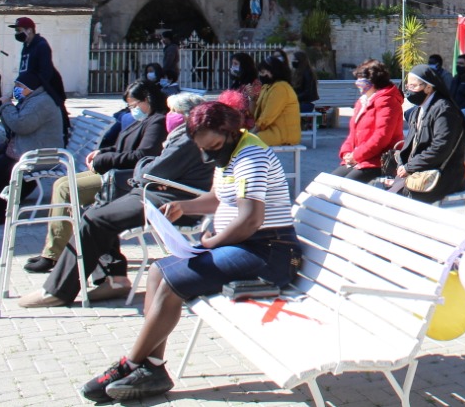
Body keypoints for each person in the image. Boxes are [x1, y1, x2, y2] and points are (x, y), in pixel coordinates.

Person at [75, 102, 301, 403]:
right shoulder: (232, 152)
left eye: (214, 147)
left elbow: (250, 220)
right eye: (203, 149)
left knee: (174, 282)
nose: (210, 155)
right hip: (247, 246)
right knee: (158, 272)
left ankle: (130, 363)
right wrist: (187, 206)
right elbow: (221, 198)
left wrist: (210, 243)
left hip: (270, 254)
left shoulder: (250, 157)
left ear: (230, 132)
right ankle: (152, 367)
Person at [19, 95, 217, 310]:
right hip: (157, 193)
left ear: (189, 115)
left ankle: (57, 291)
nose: (169, 116)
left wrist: (144, 167)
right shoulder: (181, 135)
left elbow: (151, 171)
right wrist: (146, 169)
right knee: (99, 210)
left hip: (171, 202)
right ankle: (113, 278)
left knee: (95, 219)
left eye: (174, 111)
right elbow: (153, 169)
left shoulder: (187, 138)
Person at [23, 80, 169, 274]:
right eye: (130, 105)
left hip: (124, 178)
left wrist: (104, 159)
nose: (132, 109)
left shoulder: (157, 121)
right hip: (114, 171)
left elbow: (142, 156)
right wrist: (102, 152)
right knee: (61, 183)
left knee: (67, 189)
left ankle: (53, 254)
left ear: (147, 100)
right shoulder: (143, 120)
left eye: (135, 105)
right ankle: (56, 250)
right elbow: (122, 147)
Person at [0, 72, 62, 226]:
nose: (16, 90)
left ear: (30, 88)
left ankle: (1, 211)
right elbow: (12, 124)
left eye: (19, 86)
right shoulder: (32, 99)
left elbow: (21, 126)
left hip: (41, 153)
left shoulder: (41, 102)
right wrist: (6, 106)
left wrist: (7, 105)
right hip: (33, 147)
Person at [391, 64, 465, 204]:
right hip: (420, 170)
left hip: (444, 173)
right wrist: (402, 166)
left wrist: (410, 167)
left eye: (413, 86)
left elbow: (440, 147)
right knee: (388, 196)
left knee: (399, 200)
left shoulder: (445, 110)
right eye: (407, 86)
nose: (409, 90)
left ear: (428, 87)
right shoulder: (417, 111)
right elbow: (412, 144)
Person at [332, 60, 403, 184]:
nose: (359, 87)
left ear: (374, 82)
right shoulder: (363, 101)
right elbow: (352, 134)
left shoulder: (388, 102)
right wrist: (346, 153)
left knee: (347, 185)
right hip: (360, 159)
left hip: (378, 161)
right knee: (330, 182)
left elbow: (381, 138)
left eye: (363, 83)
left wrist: (356, 156)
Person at [9, 16, 69, 142]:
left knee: (58, 116)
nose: (17, 33)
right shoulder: (26, 45)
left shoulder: (41, 45)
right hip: (28, 87)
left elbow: (45, 73)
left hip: (47, 88)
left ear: (29, 30)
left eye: (19, 30)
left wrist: (32, 90)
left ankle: (63, 138)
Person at [252, 54, 301, 146]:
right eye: (260, 72)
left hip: (283, 134)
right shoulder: (267, 87)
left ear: (274, 71)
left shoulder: (280, 88)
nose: (261, 75)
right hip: (270, 131)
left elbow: (267, 117)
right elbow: (258, 113)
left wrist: (252, 132)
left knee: (245, 142)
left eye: (263, 72)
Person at [290, 50, 319, 114]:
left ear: (300, 60)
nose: (293, 61)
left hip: (306, 104)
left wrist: (293, 98)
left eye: (295, 59)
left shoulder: (308, 73)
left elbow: (307, 92)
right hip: (301, 102)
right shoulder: (298, 72)